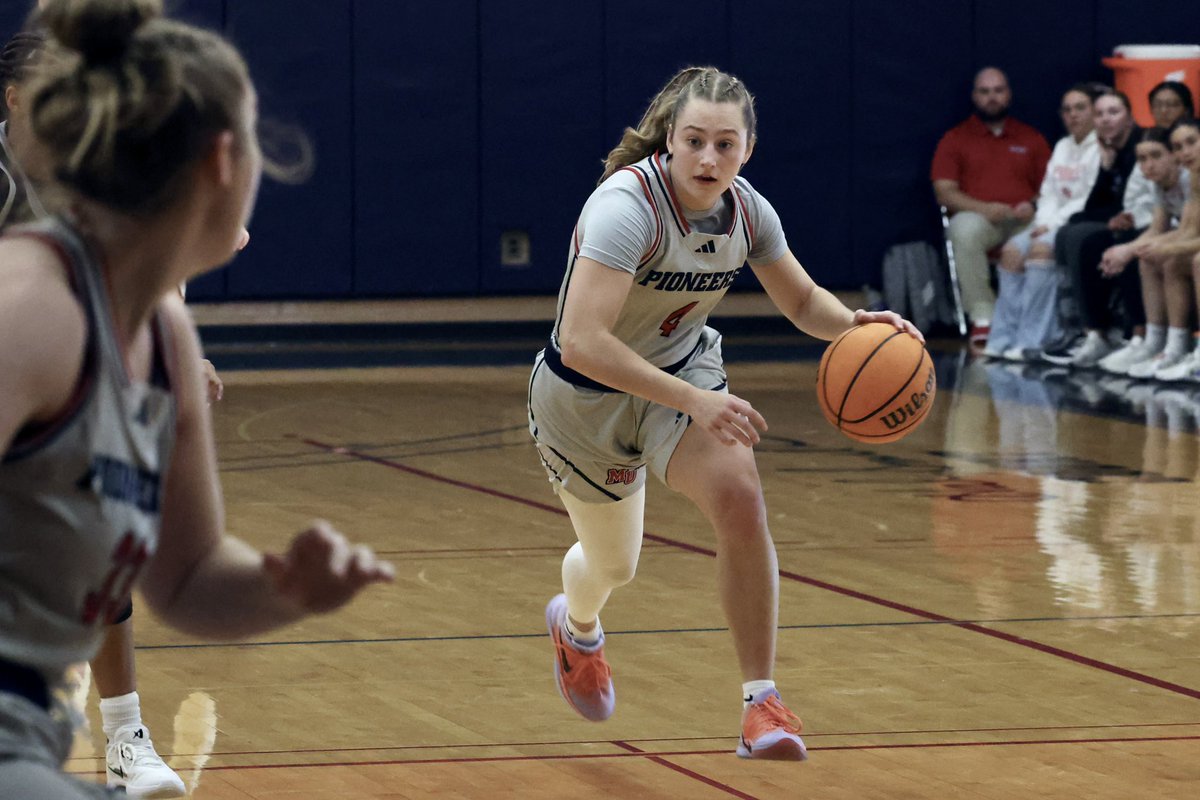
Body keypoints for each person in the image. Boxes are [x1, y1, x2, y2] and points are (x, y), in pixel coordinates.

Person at [0, 2, 394, 797]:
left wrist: (283, 588)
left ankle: (120, 737)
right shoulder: (32, 312)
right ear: (221, 162)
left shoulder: (163, 337)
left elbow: (187, 580)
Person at [526, 65, 922, 761]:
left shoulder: (748, 212)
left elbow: (801, 302)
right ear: (669, 142)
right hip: (583, 399)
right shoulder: (627, 207)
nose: (709, 159)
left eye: (726, 145)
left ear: (748, 149)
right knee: (614, 565)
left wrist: (857, 325)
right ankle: (578, 626)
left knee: (741, 496)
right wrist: (694, 400)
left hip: (681, 377)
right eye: (695, 141)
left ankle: (761, 703)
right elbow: (586, 343)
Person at [932, 67, 1052, 347]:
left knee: (1050, 230)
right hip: (982, 219)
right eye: (985, 92)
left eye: (998, 91)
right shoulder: (955, 139)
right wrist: (983, 208)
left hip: (1024, 218)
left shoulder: (1031, 138)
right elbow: (944, 191)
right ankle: (984, 317)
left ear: (1008, 95)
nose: (992, 98)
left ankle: (1035, 318)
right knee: (962, 230)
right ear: (975, 97)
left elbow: (1052, 186)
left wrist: (1032, 204)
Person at [985, 83, 1101, 360]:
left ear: (1094, 111)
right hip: (1049, 221)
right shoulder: (1062, 146)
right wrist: (1044, 221)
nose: (1073, 115)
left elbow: (1089, 197)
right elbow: (1048, 193)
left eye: (1080, 108)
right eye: (1067, 109)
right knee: (1012, 251)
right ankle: (1003, 338)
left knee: (1040, 251)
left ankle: (1033, 339)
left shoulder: (1099, 147)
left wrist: (1053, 224)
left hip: (1075, 222)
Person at [1041, 90, 1148, 367]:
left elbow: (1132, 200)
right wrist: (1107, 165)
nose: (1105, 120)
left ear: (1129, 117)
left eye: (1113, 112)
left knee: (1082, 236)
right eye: (1100, 114)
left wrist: (1114, 216)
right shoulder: (1111, 149)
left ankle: (1115, 332)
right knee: (1070, 231)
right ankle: (1085, 330)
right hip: (1120, 218)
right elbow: (1098, 202)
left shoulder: (1141, 145)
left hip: (1142, 221)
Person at [1095, 127, 1192, 377]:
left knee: (1168, 260)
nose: (1148, 165)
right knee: (1148, 260)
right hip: (1188, 240)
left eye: (1156, 156)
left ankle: (1180, 345)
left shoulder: (1189, 179)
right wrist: (1127, 249)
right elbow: (1158, 228)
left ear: (1173, 156)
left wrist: (1134, 250)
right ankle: (1155, 341)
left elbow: (1186, 232)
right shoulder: (1161, 185)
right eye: (1142, 159)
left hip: (1192, 244)